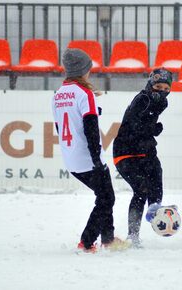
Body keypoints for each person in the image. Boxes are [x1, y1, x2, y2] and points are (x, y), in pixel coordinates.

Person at [52, 48, 128, 253]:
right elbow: (91, 129)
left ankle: (108, 238)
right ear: (83, 70)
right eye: (89, 69)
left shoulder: (58, 94)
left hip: (71, 158)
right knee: (106, 199)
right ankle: (87, 242)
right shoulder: (85, 94)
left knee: (104, 196)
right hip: (88, 157)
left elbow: (61, 127)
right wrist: (96, 158)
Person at [113, 68, 173, 247]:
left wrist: (150, 131)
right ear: (150, 84)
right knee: (141, 190)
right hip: (125, 152)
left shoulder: (163, 102)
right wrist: (152, 129)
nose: (161, 91)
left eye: (165, 88)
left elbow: (145, 125)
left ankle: (154, 208)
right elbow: (131, 125)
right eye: (157, 86)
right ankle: (133, 236)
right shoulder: (143, 99)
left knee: (157, 173)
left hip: (145, 150)